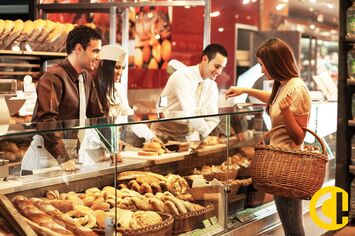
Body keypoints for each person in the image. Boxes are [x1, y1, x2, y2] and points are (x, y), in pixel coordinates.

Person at [225, 38, 311, 236]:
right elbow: (274, 99)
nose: (262, 70)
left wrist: (287, 112)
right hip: (281, 167)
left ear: (275, 63)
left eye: (263, 65)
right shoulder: (284, 85)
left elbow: (298, 138)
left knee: (294, 230)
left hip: (288, 168)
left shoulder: (297, 88)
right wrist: (245, 90)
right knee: (291, 226)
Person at [26, 25, 104, 172]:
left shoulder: (86, 77)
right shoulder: (53, 77)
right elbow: (46, 121)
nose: (98, 57)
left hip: (70, 156)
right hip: (45, 158)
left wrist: (110, 147)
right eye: (95, 51)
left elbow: (97, 116)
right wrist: (63, 157)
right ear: (79, 49)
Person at [151, 44, 228, 142]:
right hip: (162, 134)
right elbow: (191, 113)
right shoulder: (182, 77)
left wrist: (213, 137)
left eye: (222, 68)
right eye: (217, 66)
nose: (220, 72)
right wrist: (209, 136)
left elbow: (212, 116)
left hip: (187, 136)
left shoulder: (212, 86)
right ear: (205, 59)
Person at [93, 44, 162, 145]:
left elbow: (130, 119)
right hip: (94, 147)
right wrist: (111, 141)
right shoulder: (92, 89)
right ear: (104, 66)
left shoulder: (119, 89)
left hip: (114, 146)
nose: (120, 72)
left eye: (123, 68)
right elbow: (91, 128)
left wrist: (150, 136)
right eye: (117, 67)